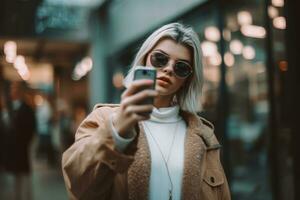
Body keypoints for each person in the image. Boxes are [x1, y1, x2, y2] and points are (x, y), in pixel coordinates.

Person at [62, 23, 231, 200]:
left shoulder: (203, 135)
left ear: (187, 80)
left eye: (181, 67)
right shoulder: (104, 119)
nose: (168, 69)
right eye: (160, 59)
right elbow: (78, 183)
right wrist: (117, 130)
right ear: (144, 60)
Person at [5, 81, 36, 200]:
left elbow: (31, 128)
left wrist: (24, 143)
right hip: (11, 151)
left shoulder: (27, 109)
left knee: (23, 181)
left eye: (15, 89)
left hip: (22, 150)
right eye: (12, 89)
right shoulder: (9, 109)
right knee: (13, 182)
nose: (13, 91)